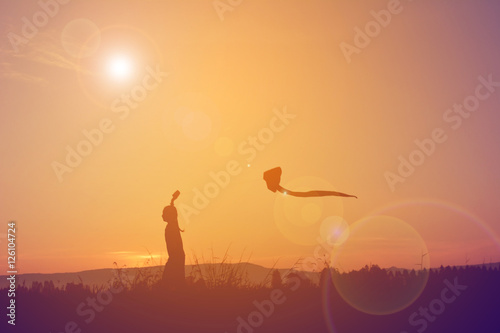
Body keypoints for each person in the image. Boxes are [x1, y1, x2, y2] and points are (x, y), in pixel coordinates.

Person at [161, 191, 185, 290]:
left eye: (164, 213)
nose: (162, 215)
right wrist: (172, 201)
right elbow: (173, 212)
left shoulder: (171, 227)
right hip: (177, 257)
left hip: (175, 258)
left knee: (167, 282)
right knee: (178, 282)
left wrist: (172, 201)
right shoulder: (173, 225)